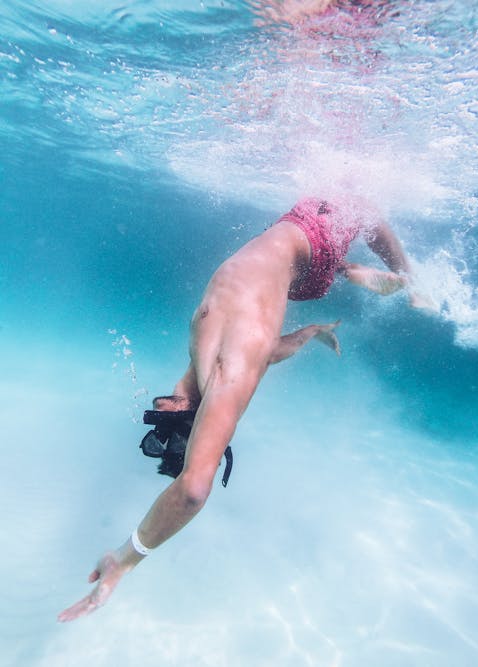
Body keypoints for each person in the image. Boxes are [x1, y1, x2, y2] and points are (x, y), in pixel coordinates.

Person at [58, 195, 420, 622]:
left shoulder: (205, 362)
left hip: (299, 254)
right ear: (192, 415)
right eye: (168, 419)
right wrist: (126, 557)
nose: (160, 405)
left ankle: (355, 273)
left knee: (344, 216)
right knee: (361, 209)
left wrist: (309, 332)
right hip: (311, 246)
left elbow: (263, 351)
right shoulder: (228, 371)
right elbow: (192, 491)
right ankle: (408, 280)